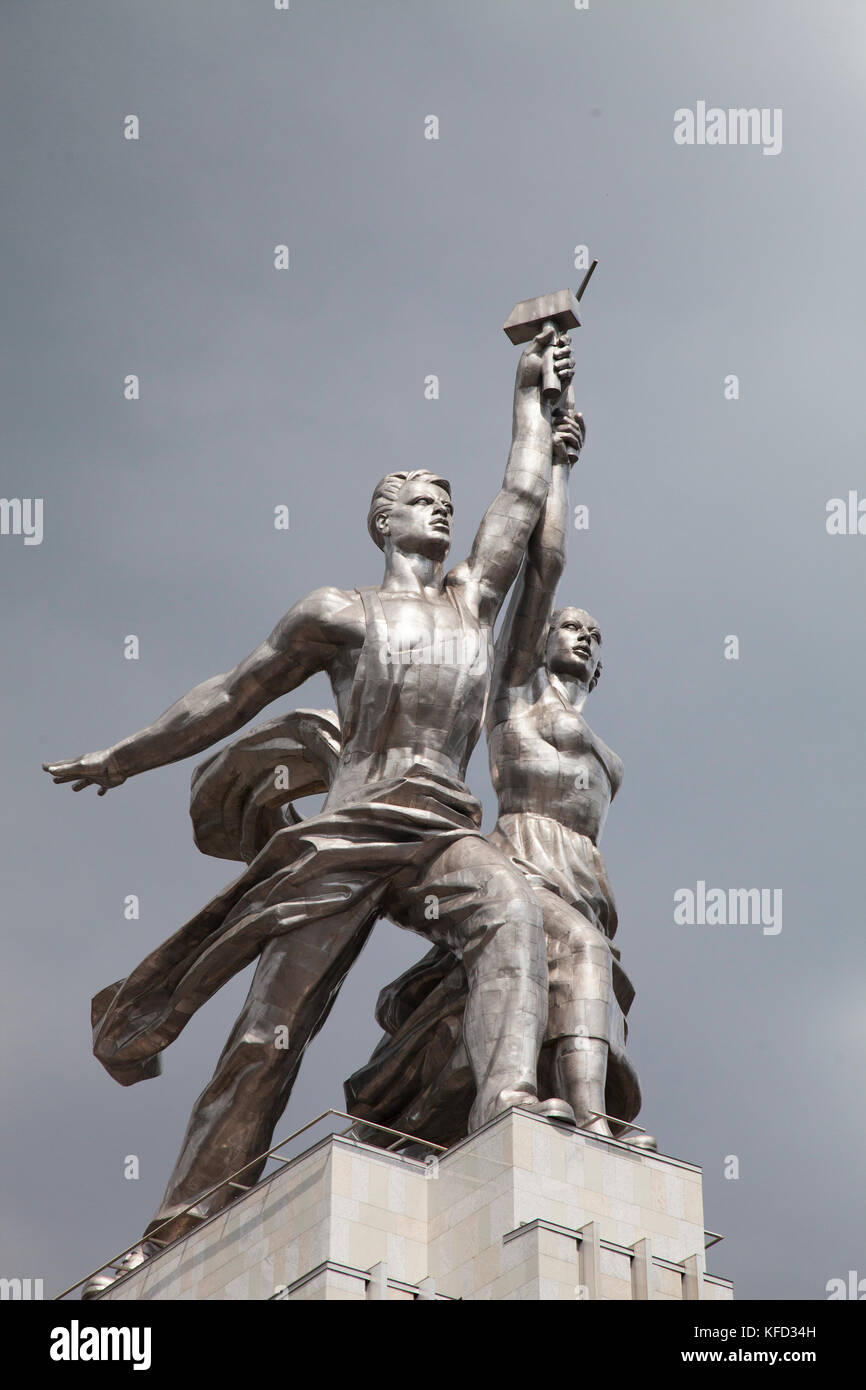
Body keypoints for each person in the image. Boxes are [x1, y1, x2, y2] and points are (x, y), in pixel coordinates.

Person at [44, 328, 583, 1284]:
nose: (443, 509)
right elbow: (230, 694)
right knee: (268, 1031)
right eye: (421, 499)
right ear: (383, 522)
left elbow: (523, 497)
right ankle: (185, 1218)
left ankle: (506, 1100)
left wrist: (530, 396)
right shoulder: (338, 612)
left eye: (445, 501)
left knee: (507, 912)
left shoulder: (471, 604)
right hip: (345, 832)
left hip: (437, 829)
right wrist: (127, 756)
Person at [345, 431, 653, 1149]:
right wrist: (560, 467)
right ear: (537, 641)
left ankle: (587, 1122)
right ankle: (592, 1117)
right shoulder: (513, 701)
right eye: (567, 628)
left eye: (592, 635)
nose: (579, 638)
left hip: (582, 878)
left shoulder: (611, 757)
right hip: (522, 862)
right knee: (580, 950)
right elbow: (546, 564)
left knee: (584, 970)